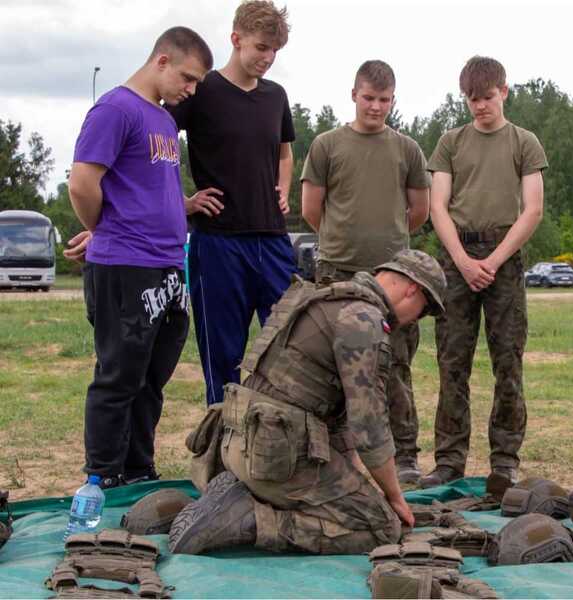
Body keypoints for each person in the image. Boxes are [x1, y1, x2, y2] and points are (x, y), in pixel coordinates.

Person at [167, 250, 446, 556]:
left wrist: (359, 481)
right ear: (413, 290)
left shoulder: (325, 298)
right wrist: (393, 497)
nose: (416, 319)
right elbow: (370, 427)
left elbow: (334, 414)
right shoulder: (364, 320)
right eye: (423, 311)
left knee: (362, 501)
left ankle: (233, 497)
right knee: (382, 527)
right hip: (277, 458)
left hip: (238, 441)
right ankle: (251, 519)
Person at [66, 27, 213, 488]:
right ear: (162, 61)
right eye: (188, 78)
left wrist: (182, 206)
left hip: (169, 265)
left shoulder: (165, 120)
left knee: (152, 379)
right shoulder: (115, 108)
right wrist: (101, 229)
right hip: (125, 265)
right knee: (118, 377)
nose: (190, 90)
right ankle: (103, 475)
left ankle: (137, 469)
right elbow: (82, 182)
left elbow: (147, 186)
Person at [299, 60, 431, 484]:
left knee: (394, 367)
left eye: (384, 99)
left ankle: (405, 455)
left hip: (390, 279)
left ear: (394, 100)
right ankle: (334, 452)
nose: (376, 107)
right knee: (330, 365)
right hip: (336, 272)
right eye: (369, 98)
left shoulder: (408, 149)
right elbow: (310, 209)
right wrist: (342, 240)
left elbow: (420, 211)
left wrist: (386, 250)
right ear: (353, 95)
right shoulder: (326, 145)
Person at [421, 56, 547, 488]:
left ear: (505, 92)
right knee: (451, 362)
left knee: (507, 362)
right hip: (456, 257)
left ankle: (504, 460)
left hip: (504, 260)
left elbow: (532, 210)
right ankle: (449, 461)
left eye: (488, 98)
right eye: (472, 99)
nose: (480, 107)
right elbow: (437, 205)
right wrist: (461, 259)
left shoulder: (524, 142)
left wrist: (492, 263)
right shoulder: (450, 142)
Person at [166, 0, 297, 407]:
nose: (267, 58)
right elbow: (158, 143)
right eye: (260, 47)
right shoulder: (201, 90)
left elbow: (285, 152)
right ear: (236, 39)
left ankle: (280, 449)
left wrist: (283, 187)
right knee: (224, 357)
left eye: (274, 50)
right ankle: (220, 455)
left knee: (290, 349)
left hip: (274, 241)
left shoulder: (276, 96)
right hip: (219, 242)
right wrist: (180, 201)